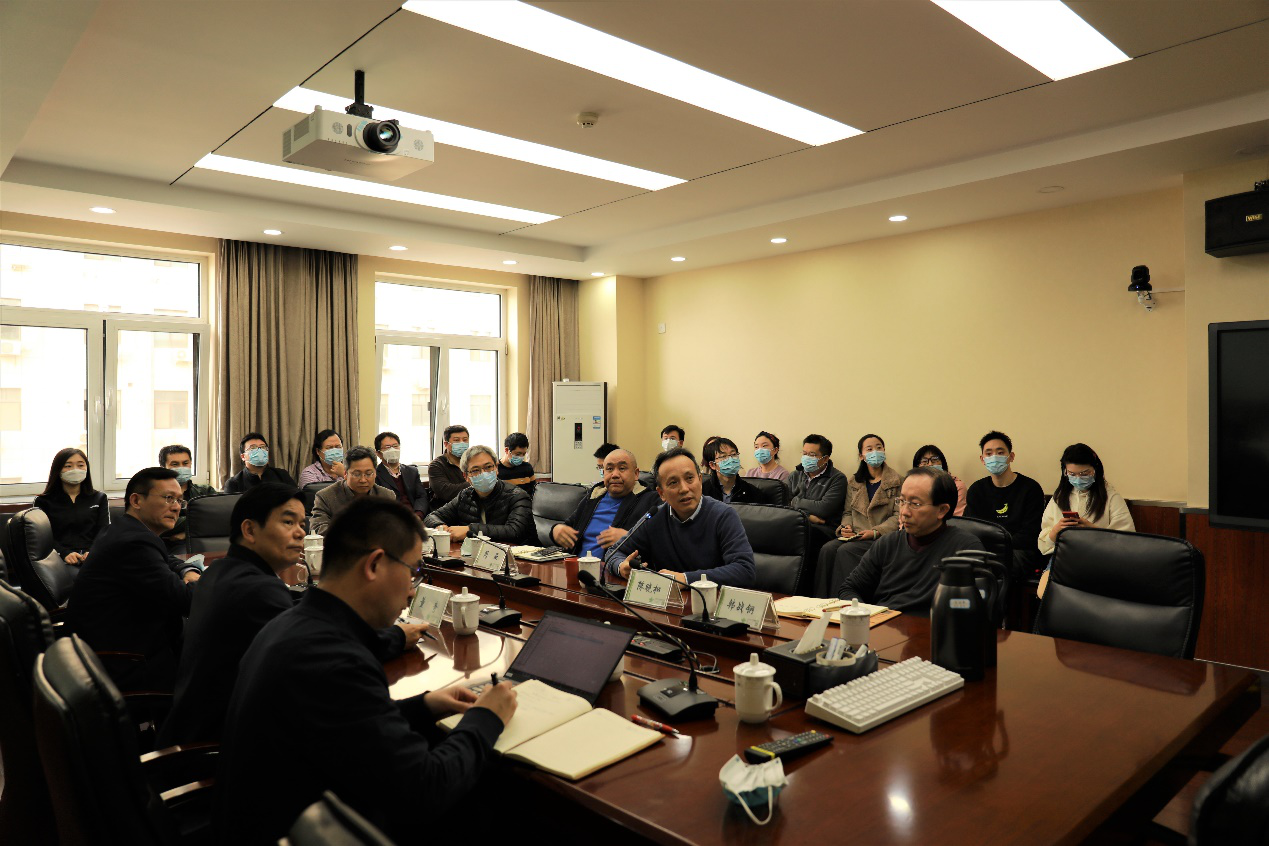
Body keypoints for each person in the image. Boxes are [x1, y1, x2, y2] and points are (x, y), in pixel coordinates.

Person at [215, 497, 517, 846]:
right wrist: (486, 718)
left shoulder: (292, 625)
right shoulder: (335, 658)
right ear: (374, 564)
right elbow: (425, 790)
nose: (412, 590)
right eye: (413, 571)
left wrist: (424, 705)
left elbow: (346, 723)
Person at [159, 484, 425, 748]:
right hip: (214, 747)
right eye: (288, 522)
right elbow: (324, 652)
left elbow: (297, 611)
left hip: (190, 730)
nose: (300, 532)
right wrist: (397, 636)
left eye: (302, 523)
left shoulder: (220, 571)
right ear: (249, 530)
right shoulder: (258, 590)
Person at [67, 467, 203, 690]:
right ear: (136, 500)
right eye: (168, 498)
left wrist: (187, 570)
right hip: (128, 663)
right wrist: (203, 582)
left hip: (122, 645)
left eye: (180, 500)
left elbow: (166, 559)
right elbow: (187, 601)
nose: (177, 507)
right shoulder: (133, 543)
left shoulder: (124, 530)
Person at [837, 468, 985, 614]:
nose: (904, 512)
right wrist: (864, 616)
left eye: (915, 504)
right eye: (902, 501)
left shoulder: (966, 549)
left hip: (934, 626)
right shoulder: (887, 544)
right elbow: (850, 589)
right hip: (885, 624)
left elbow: (977, 607)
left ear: (942, 510)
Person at [613, 447, 756, 588]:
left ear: (700, 480)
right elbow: (614, 552)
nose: (684, 489)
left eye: (689, 478)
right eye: (673, 482)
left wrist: (686, 579)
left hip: (710, 600)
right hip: (665, 600)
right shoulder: (654, 517)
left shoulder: (723, 515)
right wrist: (621, 566)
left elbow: (745, 570)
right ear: (661, 493)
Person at [1036, 444, 1137, 596]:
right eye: (1072, 474)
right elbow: (1044, 542)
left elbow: (1127, 541)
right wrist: (1056, 530)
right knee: (1045, 593)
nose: (1078, 479)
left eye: (1084, 473)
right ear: (1065, 472)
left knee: (1085, 595)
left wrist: (1091, 530)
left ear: (1095, 469)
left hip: (1099, 559)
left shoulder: (1111, 496)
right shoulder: (1060, 496)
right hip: (1065, 557)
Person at [813, 435, 904, 596]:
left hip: (881, 537)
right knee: (827, 549)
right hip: (856, 534)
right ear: (861, 456)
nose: (875, 452)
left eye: (879, 447)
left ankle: (844, 601)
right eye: (869, 449)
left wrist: (875, 532)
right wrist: (845, 527)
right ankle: (819, 600)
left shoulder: (897, 481)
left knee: (846, 550)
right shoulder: (854, 482)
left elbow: (898, 516)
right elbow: (848, 512)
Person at [964, 431, 1046, 578]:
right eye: (989, 453)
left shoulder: (1030, 489)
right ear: (982, 459)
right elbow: (972, 530)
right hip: (985, 551)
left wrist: (999, 545)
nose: (994, 457)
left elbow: (1030, 534)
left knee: (995, 567)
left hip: (1020, 551)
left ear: (1011, 456)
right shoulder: (976, 490)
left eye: (1000, 452)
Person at [551, 448, 659, 557]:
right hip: (575, 563)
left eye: (622, 468)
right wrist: (556, 530)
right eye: (609, 469)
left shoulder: (652, 501)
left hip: (613, 566)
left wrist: (630, 539)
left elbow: (660, 544)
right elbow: (569, 525)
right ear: (603, 473)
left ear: (636, 474)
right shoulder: (594, 497)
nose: (615, 474)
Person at [425, 445, 533, 544]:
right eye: (475, 470)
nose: (483, 473)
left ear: (496, 468)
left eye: (488, 467)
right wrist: (440, 527)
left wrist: (470, 530)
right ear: (466, 476)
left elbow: (514, 531)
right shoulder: (465, 495)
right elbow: (432, 517)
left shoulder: (518, 496)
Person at [34, 447, 108, 565]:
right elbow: (43, 537)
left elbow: (103, 532)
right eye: (68, 466)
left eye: (80, 465)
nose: (75, 470)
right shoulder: (43, 501)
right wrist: (64, 553)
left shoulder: (99, 498)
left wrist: (92, 551)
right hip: (58, 559)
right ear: (58, 470)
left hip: (93, 557)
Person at [311, 446, 398, 535]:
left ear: (375, 473)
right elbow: (318, 529)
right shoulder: (325, 497)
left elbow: (395, 528)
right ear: (345, 473)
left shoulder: (387, 496)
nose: (363, 480)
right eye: (357, 474)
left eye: (368, 474)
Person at [787, 434, 848, 538]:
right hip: (798, 521)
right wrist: (808, 516)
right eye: (804, 453)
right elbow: (783, 503)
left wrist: (795, 501)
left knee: (795, 530)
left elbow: (823, 509)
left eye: (812, 455)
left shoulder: (837, 478)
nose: (806, 458)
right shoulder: (795, 475)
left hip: (825, 528)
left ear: (825, 459)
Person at [158, 443, 216, 551]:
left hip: (204, 543)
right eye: (175, 464)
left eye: (185, 463)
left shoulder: (206, 491)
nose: (181, 468)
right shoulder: (157, 494)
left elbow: (219, 519)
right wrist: (202, 517)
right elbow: (162, 524)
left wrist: (186, 533)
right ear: (163, 468)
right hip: (169, 546)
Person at [374, 431, 429, 519]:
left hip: (416, 518)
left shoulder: (412, 471)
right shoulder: (375, 475)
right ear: (378, 453)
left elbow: (421, 496)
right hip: (392, 519)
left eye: (395, 446)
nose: (392, 450)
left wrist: (418, 515)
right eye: (387, 447)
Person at [222, 432, 297, 493]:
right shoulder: (234, 483)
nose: (259, 451)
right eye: (253, 448)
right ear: (243, 456)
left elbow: (298, 499)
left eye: (263, 447)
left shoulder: (282, 475)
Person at [701, 437, 764, 504]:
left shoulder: (753, 493)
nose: (730, 459)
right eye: (723, 456)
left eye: (733, 454)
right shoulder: (702, 492)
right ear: (712, 465)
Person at [912, 445, 967, 516]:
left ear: (942, 463)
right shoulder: (912, 486)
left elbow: (957, 518)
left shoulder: (957, 486)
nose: (930, 464)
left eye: (934, 459)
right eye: (924, 461)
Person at [426, 425, 471, 506]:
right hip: (445, 509)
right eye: (456, 440)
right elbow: (446, 492)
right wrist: (475, 483)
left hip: (470, 506)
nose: (462, 443)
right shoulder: (436, 465)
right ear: (446, 444)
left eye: (465, 440)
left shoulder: (473, 461)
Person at [497, 432, 536, 498]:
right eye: (518, 454)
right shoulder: (495, 470)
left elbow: (534, 493)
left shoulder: (527, 468)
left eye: (523, 454)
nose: (521, 457)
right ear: (506, 450)